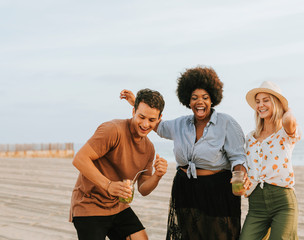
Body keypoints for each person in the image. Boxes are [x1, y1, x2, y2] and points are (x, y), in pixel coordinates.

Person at [121, 66, 250, 240]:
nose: (200, 102)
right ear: (188, 101)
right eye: (194, 98)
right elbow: (156, 124)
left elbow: (237, 157)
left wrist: (241, 175)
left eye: (205, 97)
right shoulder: (181, 124)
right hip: (185, 189)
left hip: (216, 191)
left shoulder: (226, 123)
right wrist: (136, 103)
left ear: (213, 99)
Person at [69, 89, 168, 240]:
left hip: (118, 206)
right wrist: (108, 185)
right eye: (141, 117)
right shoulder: (113, 130)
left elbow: (143, 189)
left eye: (151, 120)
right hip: (89, 205)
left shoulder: (149, 149)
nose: (145, 124)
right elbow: (80, 159)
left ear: (159, 118)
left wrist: (157, 176)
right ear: (133, 111)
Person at [239, 81, 301, 240]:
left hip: (283, 202)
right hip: (256, 204)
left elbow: (289, 120)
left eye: (266, 100)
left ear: (276, 103)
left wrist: (286, 108)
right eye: (258, 102)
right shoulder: (250, 138)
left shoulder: (285, 134)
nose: (260, 105)